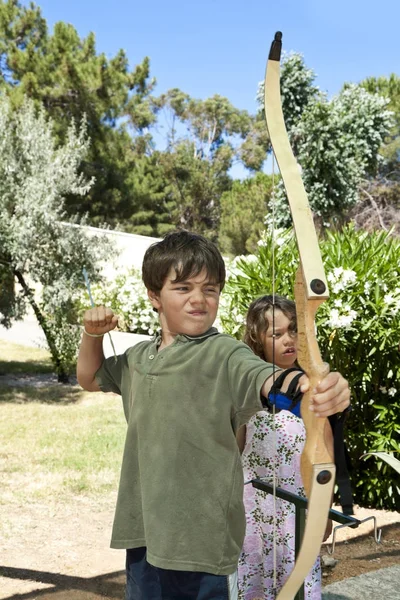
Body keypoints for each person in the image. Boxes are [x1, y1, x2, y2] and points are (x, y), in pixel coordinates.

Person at [77, 231, 350, 600]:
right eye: (183, 287)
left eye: (210, 289)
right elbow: (90, 378)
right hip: (144, 530)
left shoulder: (225, 353)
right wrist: (92, 336)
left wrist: (313, 387)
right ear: (154, 296)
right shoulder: (139, 358)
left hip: (203, 544)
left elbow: (270, 380)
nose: (199, 299)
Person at [237, 295, 329, 600]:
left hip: (296, 516)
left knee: (297, 588)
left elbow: (325, 460)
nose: (288, 340)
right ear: (257, 339)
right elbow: (233, 453)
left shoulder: (314, 388)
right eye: (276, 334)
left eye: (294, 331)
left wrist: (323, 510)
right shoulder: (245, 388)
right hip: (251, 514)